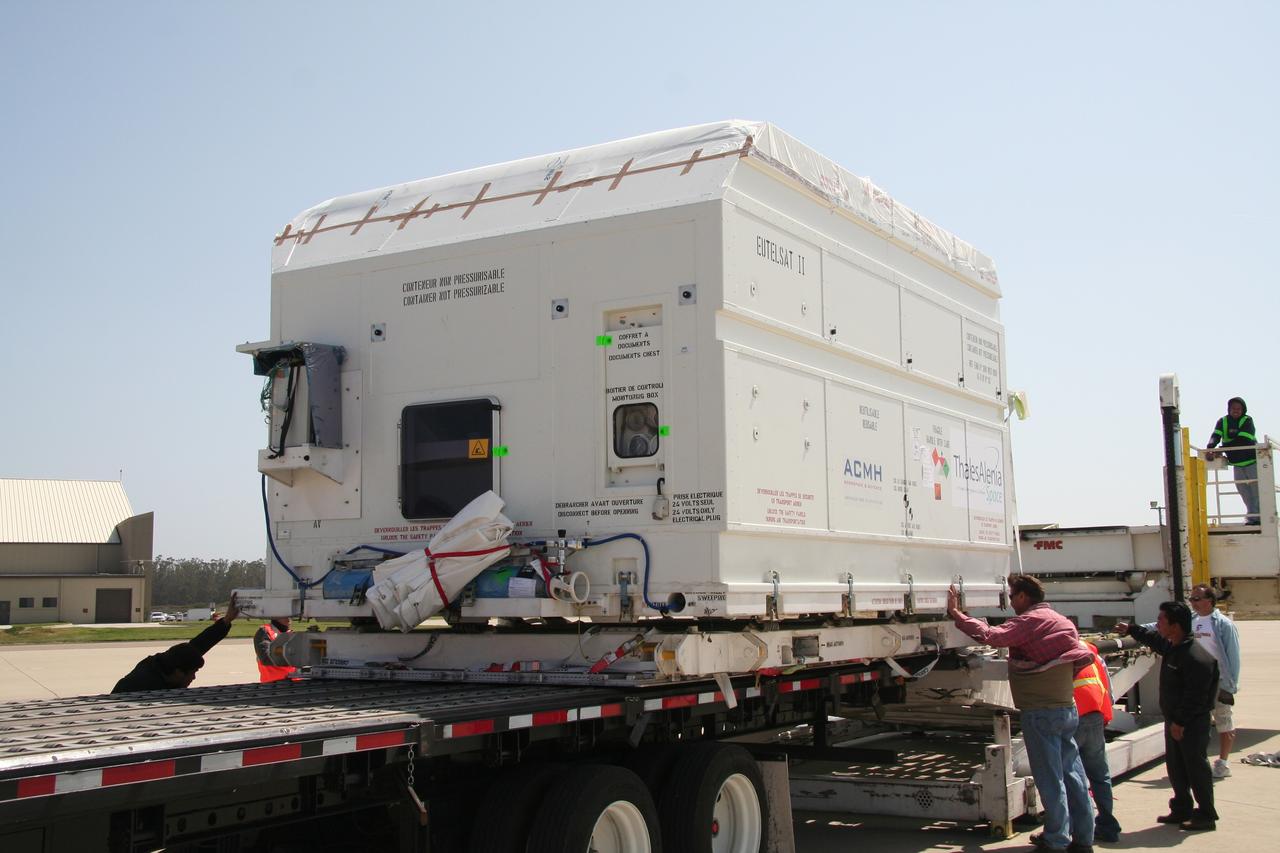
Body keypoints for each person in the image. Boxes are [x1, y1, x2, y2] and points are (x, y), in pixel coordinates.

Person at [948, 575, 1096, 853]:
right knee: (1073, 775)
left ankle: (1056, 840)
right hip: (1066, 707)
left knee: (1050, 779)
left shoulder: (1030, 621)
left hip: (1040, 711)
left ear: (1024, 597)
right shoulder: (1062, 620)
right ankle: (1083, 838)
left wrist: (957, 614)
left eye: (1013, 596)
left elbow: (993, 636)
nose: (1011, 603)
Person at [1116, 603, 1219, 831]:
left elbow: (1197, 696)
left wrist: (1181, 722)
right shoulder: (1174, 647)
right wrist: (1132, 629)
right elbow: (1155, 640)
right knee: (1176, 767)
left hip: (1190, 723)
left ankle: (1206, 814)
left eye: (1162, 620)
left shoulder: (1195, 657)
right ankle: (1181, 807)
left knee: (1195, 768)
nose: (1158, 623)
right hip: (1175, 721)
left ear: (1175, 626)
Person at [112, 594, 242, 693]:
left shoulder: (168, 663)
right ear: (178, 673)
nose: (194, 677)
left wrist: (227, 620)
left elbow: (198, 645)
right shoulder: (148, 688)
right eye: (193, 672)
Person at [1188, 585, 1241, 778]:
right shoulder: (1190, 621)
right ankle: (1199, 762)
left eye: (1196, 599)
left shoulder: (1223, 624)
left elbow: (1233, 657)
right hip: (1198, 681)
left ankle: (1223, 763)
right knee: (1197, 723)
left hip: (1218, 681)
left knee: (1223, 720)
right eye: (1191, 599)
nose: (1193, 602)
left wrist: (1229, 686)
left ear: (1209, 601)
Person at [1072, 640, 1120, 842]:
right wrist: (1106, 717)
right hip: (1095, 716)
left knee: (1073, 777)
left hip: (1072, 718)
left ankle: (1078, 829)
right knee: (1100, 774)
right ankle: (1108, 825)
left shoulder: (1057, 650)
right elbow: (1105, 687)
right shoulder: (1091, 653)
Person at [1205, 397, 1259, 526]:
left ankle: (1255, 518)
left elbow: (1243, 440)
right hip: (1237, 463)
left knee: (1255, 490)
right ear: (1229, 409)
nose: (1236, 410)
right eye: (1233, 408)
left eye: (1239, 408)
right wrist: (1210, 447)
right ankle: (1253, 515)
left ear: (1243, 410)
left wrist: (1222, 449)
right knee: (1243, 491)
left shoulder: (1247, 420)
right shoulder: (1222, 421)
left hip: (1251, 461)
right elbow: (1215, 436)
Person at [255, 615, 296, 682]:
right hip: (273, 684)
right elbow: (266, 658)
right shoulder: (265, 632)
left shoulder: (290, 634)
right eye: (285, 615)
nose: (289, 619)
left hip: (295, 682)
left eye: (291, 615)